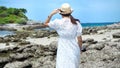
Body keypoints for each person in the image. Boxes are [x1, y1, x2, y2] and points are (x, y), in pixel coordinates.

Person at [43, 3, 82, 68]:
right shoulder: (76, 23)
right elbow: (80, 40)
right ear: (70, 12)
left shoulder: (57, 22)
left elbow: (45, 24)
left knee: (62, 65)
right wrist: (80, 49)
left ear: (61, 13)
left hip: (63, 47)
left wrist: (51, 14)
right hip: (74, 48)